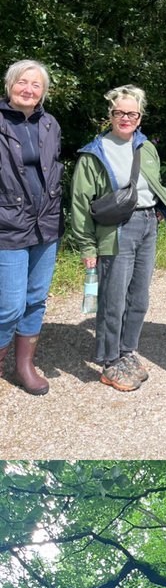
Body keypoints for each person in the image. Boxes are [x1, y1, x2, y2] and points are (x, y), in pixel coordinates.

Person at [69, 85, 166, 391]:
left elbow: (152, 184)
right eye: (119, 112)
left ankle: (127, 351)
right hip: (116, 230)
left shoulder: (146, 148)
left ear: (139, 117)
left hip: (148, 226)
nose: (125, 118)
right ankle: (109, 361)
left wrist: (158, 210)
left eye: (131, 113)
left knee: (139, 296)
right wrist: (87, 245)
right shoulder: (94, 153)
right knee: (113, 297)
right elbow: (81, 203)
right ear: (110, 115)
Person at [0, 60, 62, 395]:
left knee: (36, 298)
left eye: (36, 85)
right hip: (7, 226)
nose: (29, 89)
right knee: (9, 304)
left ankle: (24, 365)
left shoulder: (49, 123)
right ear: (10, 85)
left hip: (45, 224)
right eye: (23, 82)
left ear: (43, 92)